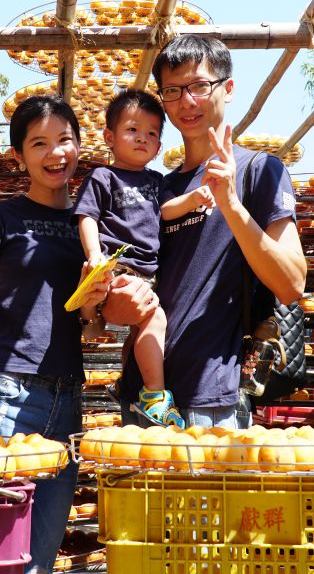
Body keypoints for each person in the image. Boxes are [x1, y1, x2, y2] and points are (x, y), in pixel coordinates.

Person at [0, 94, 107, 574]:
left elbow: (93, 330)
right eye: (39, 143)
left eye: (65, 140)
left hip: (68, 397)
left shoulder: (89, 228)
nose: (55, 153)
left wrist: (93, 306)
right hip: (6, 393)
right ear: (19, 155)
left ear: (79, 145)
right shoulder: (1, 218)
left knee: (38, 559)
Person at [104, 34, 307, 429]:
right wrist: (113, 304)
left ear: (227, 89)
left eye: (199, 85)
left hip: (214, 400)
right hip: (144, 398)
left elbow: (291, 283)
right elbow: (123, 300)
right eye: (173, 90)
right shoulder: (158, 189)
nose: (187, 101)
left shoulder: (259, 172)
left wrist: (230, 202)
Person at [73, 89, 214, 428]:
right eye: (133, 130)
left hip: (146, 274)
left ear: (159, 147)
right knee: (155, 318)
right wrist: (94, 256)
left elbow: (166, 211)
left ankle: (128, 382)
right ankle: (155, 396)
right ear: (109, 137)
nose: (142, 138)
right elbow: (87, 216)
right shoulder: (103, 177)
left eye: (151, 133)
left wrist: (193, 198)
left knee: (140, 332)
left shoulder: (156, 181)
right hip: (116, 265)